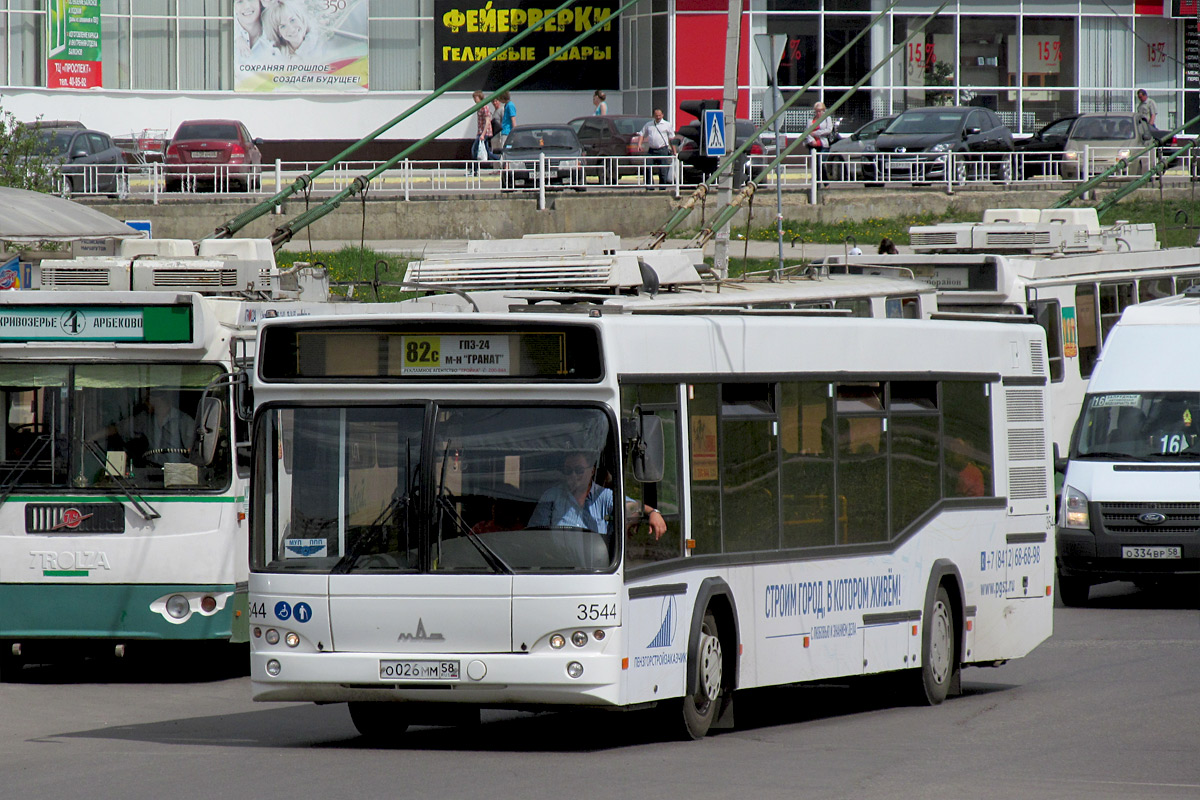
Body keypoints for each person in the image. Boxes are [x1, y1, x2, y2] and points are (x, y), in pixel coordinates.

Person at [529, 452, 666, 539]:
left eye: (579, 470)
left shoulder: (604, 496)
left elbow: (631, 507)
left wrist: (653, 512)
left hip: (596, 568)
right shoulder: (551, 496)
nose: (573, 475)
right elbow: (536, 535)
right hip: (558, 565)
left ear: (592, 471)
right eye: (568, 471)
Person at [639, 108, 676, 186]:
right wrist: (639, 144)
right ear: (653, 116)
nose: (658, 117)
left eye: (659, 115)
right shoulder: (649, 124)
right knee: (648, 167)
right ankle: (649, 187)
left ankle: (662, 187)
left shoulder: (667, 125)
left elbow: (671, 138)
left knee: (663, 170)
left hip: (663, 149)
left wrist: (674, 150)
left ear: (662, 115)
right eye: (656, 116)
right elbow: (642, 134)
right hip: (651, 150)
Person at [472, 90, 494, 164]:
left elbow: (487, 121)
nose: (474, 100)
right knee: (487, 152)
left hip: (485, 132)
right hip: (481, 132)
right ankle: (500, 159)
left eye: (476, 98)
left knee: (475, 149)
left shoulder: (485, 107)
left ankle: (474, 170)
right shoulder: (479, 107)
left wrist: (482, 134)